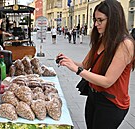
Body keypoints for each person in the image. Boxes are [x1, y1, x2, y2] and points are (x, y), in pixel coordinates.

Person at [56, 0, 135, 128]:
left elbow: (107, 81)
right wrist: (67, 61)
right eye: (95, 20)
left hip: (112, 102)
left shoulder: (125, 44)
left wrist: (77, 69)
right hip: (94, 96)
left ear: (114, 19)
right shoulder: (101, 38)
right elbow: (85, 65)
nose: (96, 24)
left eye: (100, 20)